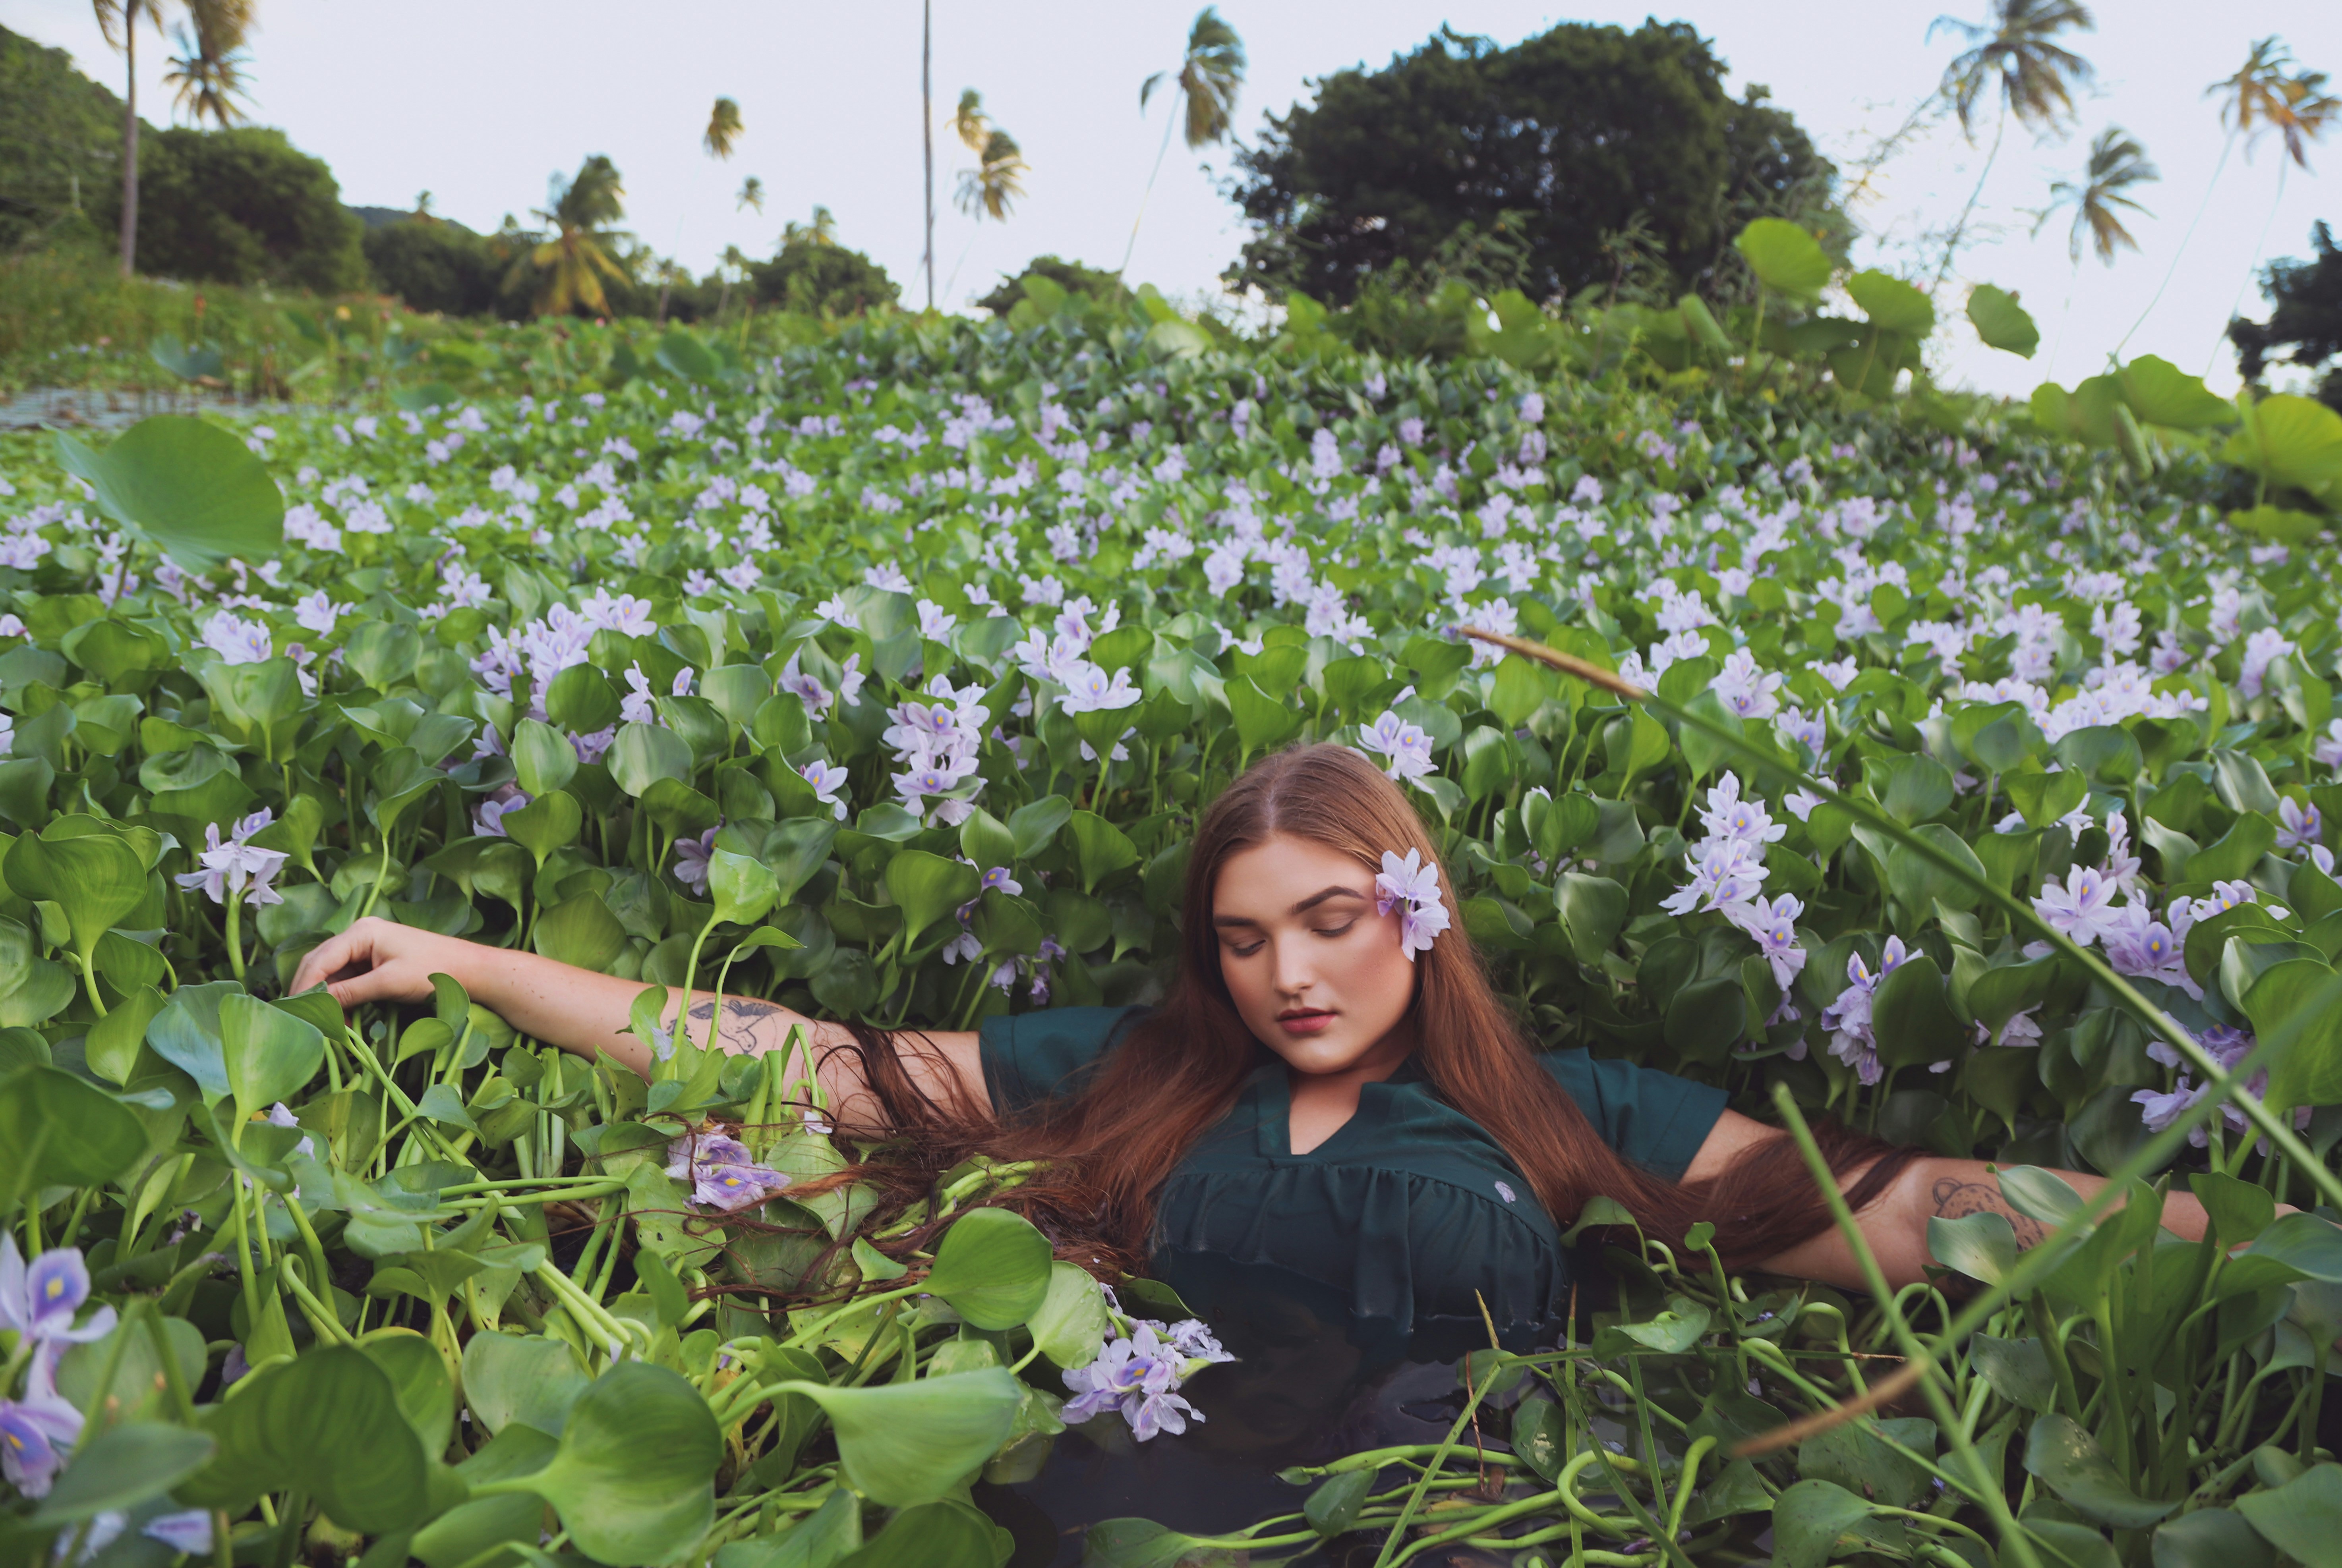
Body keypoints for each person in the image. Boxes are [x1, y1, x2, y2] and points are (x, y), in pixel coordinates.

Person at [292, 743, 2220, 1354]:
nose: (1290, 975)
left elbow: (1902, 1213)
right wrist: (466, 958)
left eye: (1327, 921)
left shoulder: (1567, 1116)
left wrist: (2223, 1238)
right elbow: (806, 1060)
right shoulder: (1130, 1069)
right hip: (1131, 1503)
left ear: (1419, 909)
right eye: (1243, 940)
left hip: (1437, 1511)